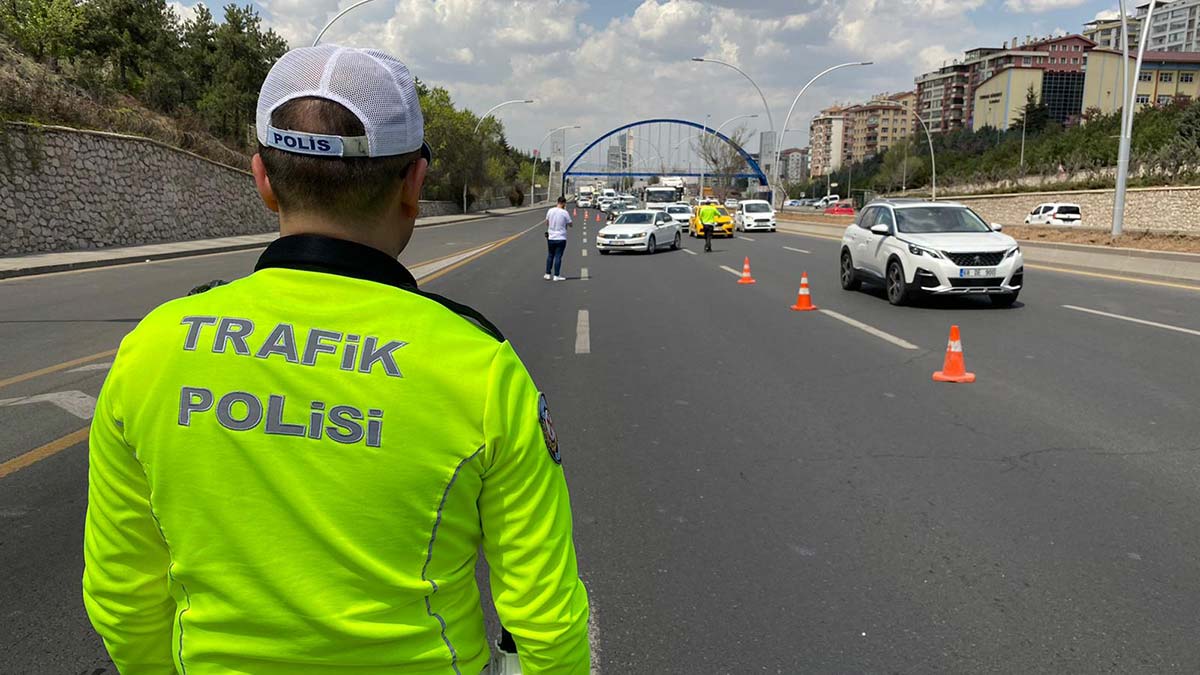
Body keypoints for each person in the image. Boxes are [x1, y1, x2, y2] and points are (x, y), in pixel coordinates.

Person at [82, 44, 590, 675]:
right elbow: (547, 620)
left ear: (263, 180)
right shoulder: (481, 366)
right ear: (414, 184)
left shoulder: (153, 349)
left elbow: (121, 596)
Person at [544, 195, 572, 281]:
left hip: (551, 237)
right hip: (561, 237)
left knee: (550, 255)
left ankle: (547, 274)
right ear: (563, 203)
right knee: (558, 256)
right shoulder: (565, 212)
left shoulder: (550, 210)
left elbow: (546, 222)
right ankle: (556, 275)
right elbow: (570, 224)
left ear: (557, 202)